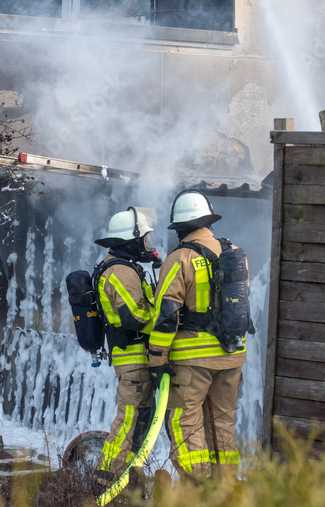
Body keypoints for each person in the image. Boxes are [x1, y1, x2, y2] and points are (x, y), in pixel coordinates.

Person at [147, 190, 247, 481]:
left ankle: (197, 489)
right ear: (208, 222)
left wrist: (157, 360)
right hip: (233, 356)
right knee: (222, 422)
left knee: (186, 422)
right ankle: (225, 488)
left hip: (193, 361)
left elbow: (166, 316)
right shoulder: (235, 254)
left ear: (180, 228)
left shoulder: (179, 259)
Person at [93, 206, 162, 484]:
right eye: (144, 239)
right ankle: (106, 479)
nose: (148, 244)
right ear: (130, 241)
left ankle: (128, 479)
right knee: (129, 421)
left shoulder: (124, 267)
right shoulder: (120, 271)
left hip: (136, 361)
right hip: (134, 361)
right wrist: (167, 321)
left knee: (139, 422)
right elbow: (135, 316)